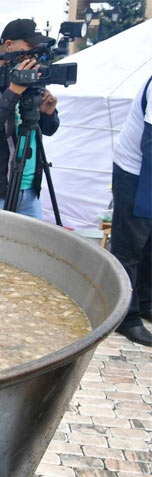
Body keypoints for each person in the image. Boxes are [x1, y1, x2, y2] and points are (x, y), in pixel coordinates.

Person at [0, 18, 59, 219]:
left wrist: (49, 112)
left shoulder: (33, 82)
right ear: (9, 45)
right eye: (30, 47)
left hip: (30, 191)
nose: (34, 55)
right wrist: (13, 92)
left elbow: (49, 130)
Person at [109, 75, 152, 346]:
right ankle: (126, 316)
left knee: (150, 244)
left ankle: (146, 302)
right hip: (135, 172)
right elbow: (149, 146)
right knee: (130, 245)